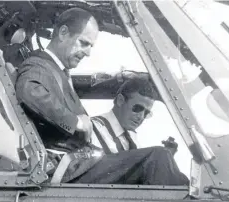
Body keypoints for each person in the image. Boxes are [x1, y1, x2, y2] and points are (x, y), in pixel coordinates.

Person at [15, 8, 189, 185]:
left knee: (164, 163)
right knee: (157, 157)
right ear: (63, 33)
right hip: (70, 171)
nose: (88, 52)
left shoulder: (58, 72)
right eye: (84, 43)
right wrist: (75, 121)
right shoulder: (39, 65)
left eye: (91, 46)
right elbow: (29, 91)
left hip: (81, 166)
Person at [91, 79, 156, 153]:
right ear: (120, 100)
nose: (141, 117)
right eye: (137, 108)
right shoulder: (94, 128)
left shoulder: (132, 138)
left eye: (146, 113)